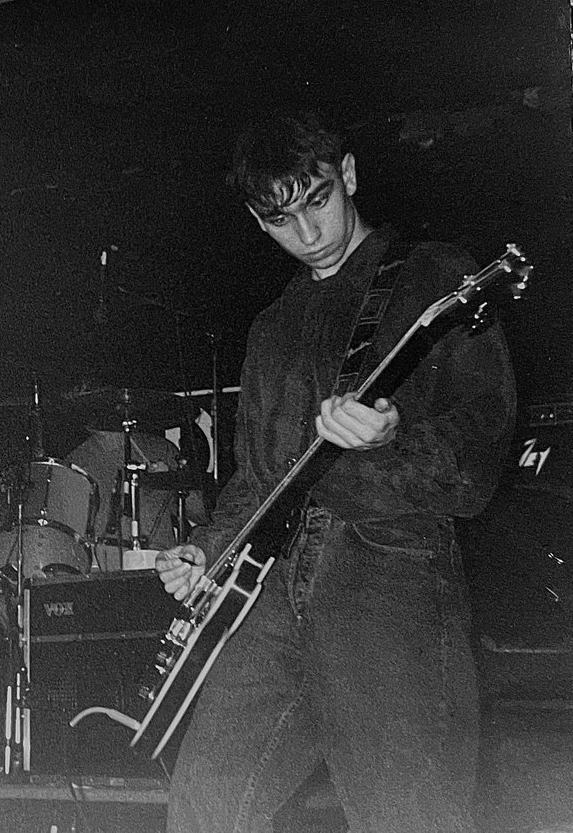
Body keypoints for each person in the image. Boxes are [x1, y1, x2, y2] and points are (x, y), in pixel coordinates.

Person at [155, 109, 515, 832]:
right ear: (261, 224)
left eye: (318, 201)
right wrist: (208, 549)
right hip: (272, 595)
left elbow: (481, 456)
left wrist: (394, 435)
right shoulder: (271, 328)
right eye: (282, 218)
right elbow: (258, 479)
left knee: (406, 816)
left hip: (389, 582)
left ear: (347, 176)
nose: (309, 233)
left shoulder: (434, 279)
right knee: (203, 801)